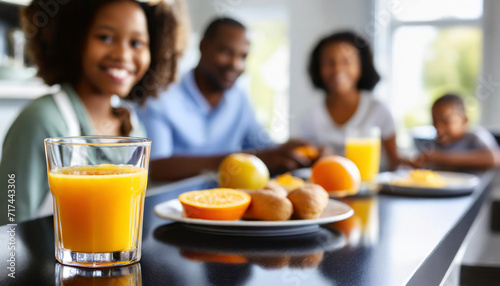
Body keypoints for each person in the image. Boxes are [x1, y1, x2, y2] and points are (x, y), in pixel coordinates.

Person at [0, 0, 178, 225]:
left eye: (137, 42)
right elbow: (10, 228)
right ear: (75, 39)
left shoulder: (133, 126)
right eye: (105, 37)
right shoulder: (42, 121)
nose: (123, 54)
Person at [137, 17, 312, 181]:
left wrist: (296, 151)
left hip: (231, 205)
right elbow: (154, 167)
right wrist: (244, 159)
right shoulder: (160, 97)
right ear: (203, 46)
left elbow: (264, 148)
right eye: (226, 52)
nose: (235, 64)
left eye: (243, 57)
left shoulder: (238, 98)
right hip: (172, 209)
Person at [299, 31, 399, 170]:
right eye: (329, 62)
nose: (337, 68)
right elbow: (307, 162)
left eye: (346, 61)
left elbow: (396, 162)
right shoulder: (310, 116)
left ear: (361, 66)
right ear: (318, 68)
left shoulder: (378, 110)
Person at [412, 94, 500, 169]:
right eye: (435, 121)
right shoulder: (435, 143)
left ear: (464, 120)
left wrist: (441, 158)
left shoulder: (476, 136)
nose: (438, 127)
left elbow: (495, 158)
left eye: (447, 121)